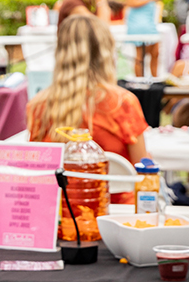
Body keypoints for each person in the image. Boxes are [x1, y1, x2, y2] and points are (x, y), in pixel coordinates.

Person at [27, 14, 148, 174]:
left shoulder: (38, 106)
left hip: (60, 199)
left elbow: (34, 171)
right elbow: (143, 170)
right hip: (114, 198)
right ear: (105, 53)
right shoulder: (122, 103)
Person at [124, 0, 161, 76]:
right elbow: (131, 2)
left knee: (155, 52)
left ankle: (154, 79)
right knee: (140, 55)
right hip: (139, 22)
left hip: (149, 21)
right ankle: (139, 81)